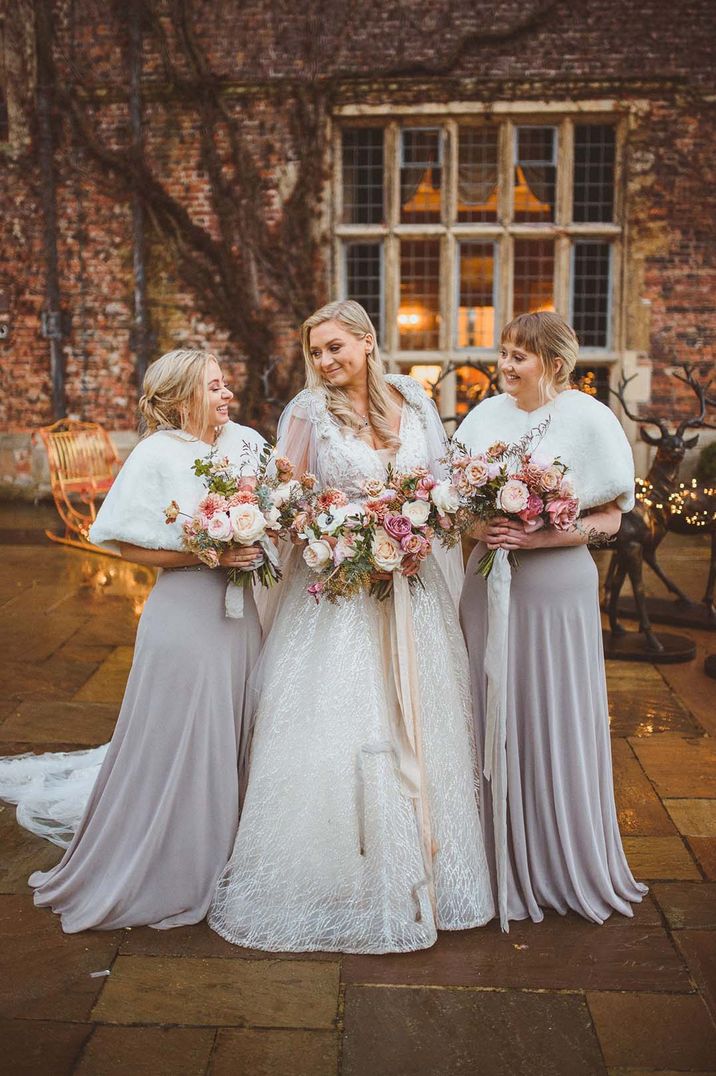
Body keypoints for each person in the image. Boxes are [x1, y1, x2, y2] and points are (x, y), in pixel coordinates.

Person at [208, 300, 494, 954]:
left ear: (367, 342)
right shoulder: (308, 414)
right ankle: (337, 875)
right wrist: (338, 541)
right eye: (317, 352)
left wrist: (425, 529)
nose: (326, 361)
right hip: (337, 598)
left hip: (412, 589)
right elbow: (288, 505)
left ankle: (423, 873)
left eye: (336, 347)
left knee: (422, 726)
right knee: (341, 726)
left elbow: (441, 489)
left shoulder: (414, 401)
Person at [0, 349, 264, 932]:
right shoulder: (156, 453)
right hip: (185, 612)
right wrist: (205, 550)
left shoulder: (247, 442)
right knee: (177, 737)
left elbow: (278, 511)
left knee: (236, 728)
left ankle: (233, 856)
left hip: (244, 614)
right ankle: (168, 860)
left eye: (226, 385)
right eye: (213, 387)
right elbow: (123, 543)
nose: (226, 396)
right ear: (180, 397)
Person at [456, 311, 647, 930]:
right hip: (488, 583)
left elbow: (615, 520)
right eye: (504, 353)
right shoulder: (483, 418)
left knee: (553, 709)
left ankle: (561, 858)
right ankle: (491, 858)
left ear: (555, 364)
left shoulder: (589, 418)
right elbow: (454, 507)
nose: (505, 366)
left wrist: (549, 538)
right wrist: (479, 525)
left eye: (519, 356)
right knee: (489, 708)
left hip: (558, 587)